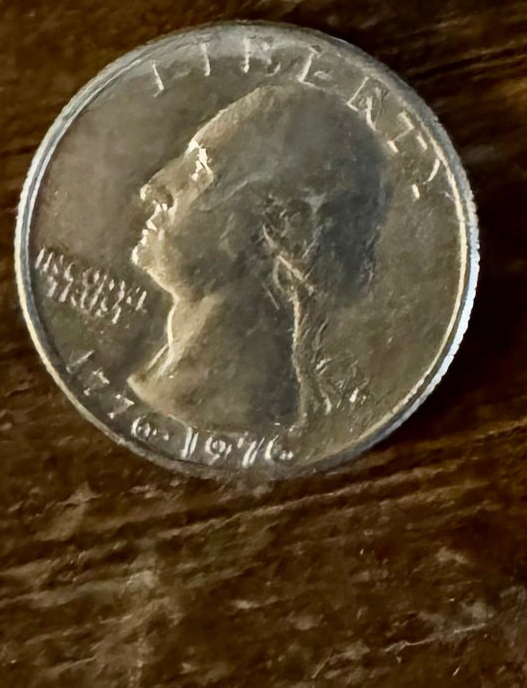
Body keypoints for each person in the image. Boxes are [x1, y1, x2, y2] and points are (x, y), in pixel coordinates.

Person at [130, 81, 391, 434]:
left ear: (278, 222)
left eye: (201, 171)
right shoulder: (172, 375)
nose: (154, 186)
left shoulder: (232, 400)